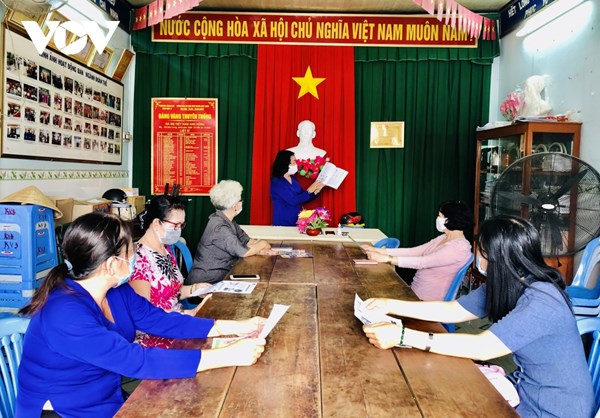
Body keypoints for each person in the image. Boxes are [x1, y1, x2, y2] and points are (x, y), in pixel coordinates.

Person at [16, 212, 266, 417]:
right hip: (64, 410)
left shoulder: (117, 292)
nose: (135, 256)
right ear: (111, 264)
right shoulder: (64, 314)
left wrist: (233, 326)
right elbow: (136, 361)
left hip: (106, 397)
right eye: (130, 251)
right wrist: (228, 355)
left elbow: (160, 320)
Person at [362, 215, 595, 418]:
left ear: (497, 257)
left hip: (553, 409)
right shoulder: (508, 282)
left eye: (481, 250)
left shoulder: (543, 300)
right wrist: (389, 305)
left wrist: (403, 335)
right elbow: (453, 310)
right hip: (527, 390)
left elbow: (483, 347)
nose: (477, 256)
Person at [130, 195, 211, 348]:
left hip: (177, 321)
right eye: (175, 225)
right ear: (156, 223)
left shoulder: (165, 249)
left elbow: (172, 292)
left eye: (182, 225)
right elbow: (146, 316)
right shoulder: (139, 258)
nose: (178, 230)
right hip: (156, 333)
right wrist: (188, 315)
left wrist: (194, 289)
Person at [361, 201, 473, 301]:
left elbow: (422, 262)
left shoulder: (459, 248)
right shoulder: (444, 237)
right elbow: (414, 251)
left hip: (427, 301)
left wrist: (387, 259)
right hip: (415, 292)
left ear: (449, 220)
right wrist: (377, 250)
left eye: (440, 216)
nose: (437, 219)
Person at [188, 180, 274, 284]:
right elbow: (244, 252)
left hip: (222, 275)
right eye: (240, 200)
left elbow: (246, 241)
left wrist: (259, 249)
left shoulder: (227, 220)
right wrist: (263, 243)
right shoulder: (219, 227)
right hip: (206, 281)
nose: (242, 202)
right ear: (234, 206)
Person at [270, 150, 324, 226]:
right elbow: (293, 200)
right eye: (294, 161)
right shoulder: (277, 182)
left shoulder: (293, 179)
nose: (296, 164)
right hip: (282, 222)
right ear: (285, 163)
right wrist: (309, 190)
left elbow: (302, 197)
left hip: (296, 221)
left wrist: (316, 191)